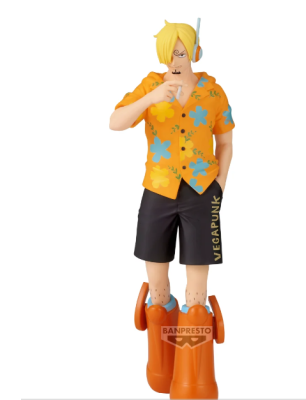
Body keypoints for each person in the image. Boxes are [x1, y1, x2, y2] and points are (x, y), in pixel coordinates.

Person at [109, 19, 234, 399]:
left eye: (182, 53)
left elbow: (226, 143)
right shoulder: (150, 85)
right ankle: (161, 369)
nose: (176, 60)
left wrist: (219, 188)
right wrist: (150, 99)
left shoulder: (213, 92)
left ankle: (194, 380)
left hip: (201, 193)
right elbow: (115, 122)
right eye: (170, 54)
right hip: (158, 190)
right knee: (158, 291)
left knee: (196, 299)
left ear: (195, 52)